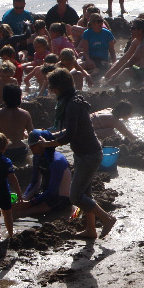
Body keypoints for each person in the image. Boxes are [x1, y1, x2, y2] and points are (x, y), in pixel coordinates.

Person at [38, 67, 117, 239]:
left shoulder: (72, 105)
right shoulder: (74, 100)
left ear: (59, 87)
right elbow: (70, 131)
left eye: (51, 87)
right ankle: (91, 230)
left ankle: (107, 219)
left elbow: (70, 136)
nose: (50, 91)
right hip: (85, 152)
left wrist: (48, 144)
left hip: (89, 154)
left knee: (75, 197)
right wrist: (51, 135)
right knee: (85, 194)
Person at [14, 129, 72, 218]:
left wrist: (30, 203)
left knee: (21, 214)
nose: (30, 148)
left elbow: (53, 190)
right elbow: (35, 182)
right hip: (47, 194)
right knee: (13, 209)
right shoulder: (37, 157)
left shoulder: (56, 161)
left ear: (42, 145)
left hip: (60, 199)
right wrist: (23, 199)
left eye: (33, 145)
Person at [104, 18, 144, 86]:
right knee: (118, 63)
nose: (130, 30)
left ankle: (110, 86)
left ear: (140, 30)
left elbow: (129, 63)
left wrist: (113, 77)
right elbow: (125, 58)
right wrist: (109, 73)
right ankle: (113, 84)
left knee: (128, 71)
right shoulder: (137, 41)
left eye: (132, 28)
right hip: (143, 70)